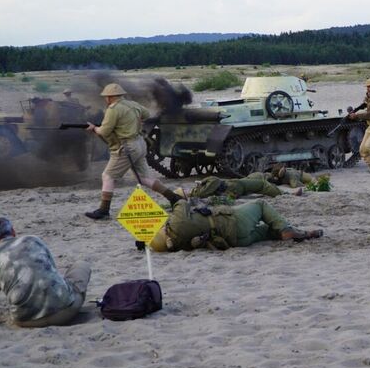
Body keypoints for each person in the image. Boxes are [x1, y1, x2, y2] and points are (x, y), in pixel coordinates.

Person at [85, 83, 181, 220]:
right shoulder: (133, 104)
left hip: (127, 147)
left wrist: (94, 128)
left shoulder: (113, 109)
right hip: (139, 144)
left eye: (106, 97)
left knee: (108, 176)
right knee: (145, 179)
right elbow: (146, 114)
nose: (105, 99)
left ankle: (104, 210)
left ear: (110, 97)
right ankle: (174, 198)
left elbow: (104, 131)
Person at [0, 218, 91, 327]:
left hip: (24, 321)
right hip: (64, 313)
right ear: (13, 232)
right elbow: (51, 268)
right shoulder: (32, 239)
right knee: (82, 265)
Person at [149, 199, 323, 252]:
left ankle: (303, 233)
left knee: (266, 232)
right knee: (260, 205)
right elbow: (180, 201)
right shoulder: (177, 222)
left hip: (236, 241)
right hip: (234, 223)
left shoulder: (179, 245)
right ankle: (286, 230)